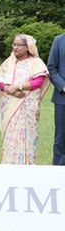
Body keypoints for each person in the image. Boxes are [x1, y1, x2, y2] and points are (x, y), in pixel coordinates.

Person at [0, 34, 50, 165]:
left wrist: (19, 86)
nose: (15, 47)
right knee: (10, 138)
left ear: (28, 47)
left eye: (19, 45)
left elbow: (38, 81)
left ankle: (27, 164)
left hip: (27, 106)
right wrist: (8, 89)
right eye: (14, 44)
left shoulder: (36, 63)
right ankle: (9, 164)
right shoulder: (10, 62)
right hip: (10, 104)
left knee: (27, 136)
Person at [47, 33, 65, 165]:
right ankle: (58, 172)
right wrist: (63, 86)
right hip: (62, 98)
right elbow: (52, 68)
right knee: (61, 139)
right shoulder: (59, 40)